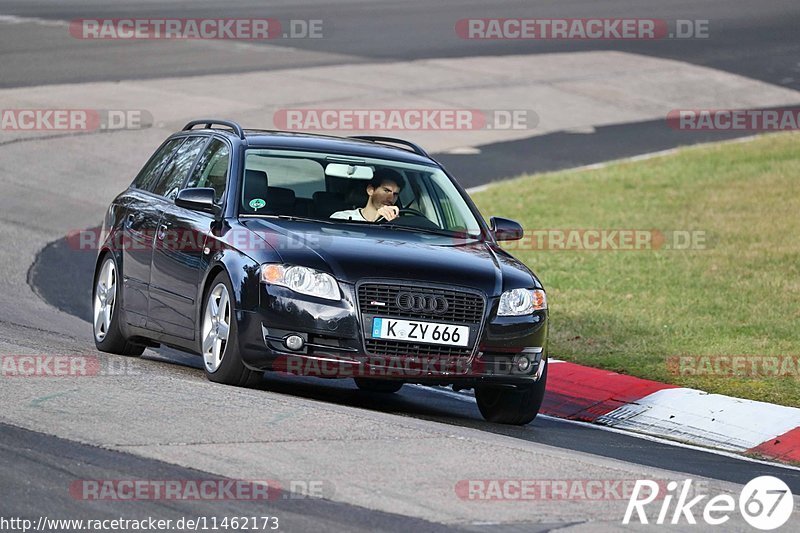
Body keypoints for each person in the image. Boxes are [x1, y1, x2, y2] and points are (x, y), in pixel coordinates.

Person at [330, 168, 403, 222]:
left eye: (395, 194)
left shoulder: (396, 223)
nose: (391, 198)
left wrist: (395, 223)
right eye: (386, 191)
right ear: (370, 190)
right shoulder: (341, 218)